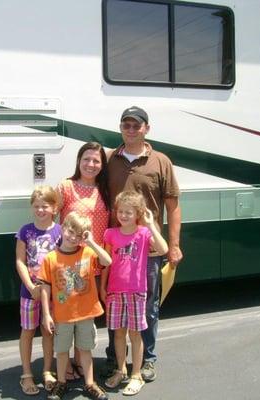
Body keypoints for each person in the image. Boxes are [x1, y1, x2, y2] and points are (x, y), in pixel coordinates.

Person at [105, 106, 183, 382]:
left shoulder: (161, 161)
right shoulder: (110, 159)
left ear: (146, 129)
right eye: (126, 125)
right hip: (115, 251)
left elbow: (173, 207)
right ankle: (117, 360)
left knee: (147, 307)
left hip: (148, 251)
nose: (130, 129)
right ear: (121, 128)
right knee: (115, 305)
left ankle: (148, 359)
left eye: (136, 125)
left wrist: (173, 245)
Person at [100, 191, 168, 395]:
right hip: (114, 291)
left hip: (136, 291)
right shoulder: (110, 234)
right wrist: (102, 288)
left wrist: (150, 224)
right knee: (118, 334)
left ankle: (136, 374)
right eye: (121, 211)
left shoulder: (144, 233)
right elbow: (105, 265)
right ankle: (120, 370)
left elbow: (163, 249)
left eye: (129, 212)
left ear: (138, 213)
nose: (124, 215)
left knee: (135, 334)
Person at [39, 212, 111, 400]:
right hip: (62, 315)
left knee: (85, 350)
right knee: (62, 351)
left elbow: (107, 261)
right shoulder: (51, 258)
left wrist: (91, 242)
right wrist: (47, 314)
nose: (73, 237)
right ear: (63, 228)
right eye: (71, 231)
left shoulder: (87, 252)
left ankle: (90, 384)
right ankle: (61, 383)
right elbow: (45, 288)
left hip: (86, 313)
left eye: (79, 235)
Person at [56, 141, 111, 379]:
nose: (91, 164)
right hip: (69, 264)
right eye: (86, 159)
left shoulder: (105, 189)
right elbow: (52, 219)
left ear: (102, 165)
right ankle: (65, 364)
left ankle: (80, 362)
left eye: (96, 161)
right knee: (68, 314)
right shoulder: (66, 187)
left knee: (87, 316)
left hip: (95, 262)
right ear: (79, 161)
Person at [15, 186, 61, 396]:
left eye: (45, 206)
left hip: (52, 294)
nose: (41, 210)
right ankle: (26, 374)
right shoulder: (25, 231)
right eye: (37, 206)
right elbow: (20, 261)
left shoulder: (60, 231)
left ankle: (47, 370)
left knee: (48, 331)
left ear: (54, 208)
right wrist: (31, 286)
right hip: (30, 292)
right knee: (28, 331)